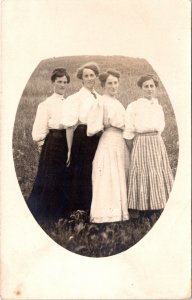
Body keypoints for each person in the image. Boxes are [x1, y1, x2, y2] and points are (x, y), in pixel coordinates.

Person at [123, 73, 174, 218]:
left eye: (152, 86)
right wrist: (134, 149)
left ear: (155, 88)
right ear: (141, 88)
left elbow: (160, 127)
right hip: (141, 142)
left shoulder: (158, 106)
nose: (149, 89)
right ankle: (144, 209)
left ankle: (159, 205)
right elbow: (128, 131)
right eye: (146, 86)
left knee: (158, 171)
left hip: (157, 142)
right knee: (143, 173)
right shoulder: (134, 106)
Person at [27, 68, 73, 222]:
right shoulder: (46, 104)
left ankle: (62, 212)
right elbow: (40, 128)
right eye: (59, 82)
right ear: (53, 82)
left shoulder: (68, 102)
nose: (62, 85)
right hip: (53, 142)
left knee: (64, 175)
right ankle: (47, 214)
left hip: (67, 140)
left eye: (65, 82)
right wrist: (41, 144)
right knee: (51, 176)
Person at [87, 69, 130, 223]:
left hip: (120, 141)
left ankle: (120, 214)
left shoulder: (117, 102)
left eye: (115, 83)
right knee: (108, 175)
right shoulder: (101, 102)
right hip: (109, 140)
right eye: (109, 83)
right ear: (103, 85)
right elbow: (92, 128)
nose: (113, 86)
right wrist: (106, 129)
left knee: (119, 173)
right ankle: (105, 216)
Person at [61, 62, 101, 213]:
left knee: (96, 170)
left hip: (98, 138)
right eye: (86, 76)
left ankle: (95, 208)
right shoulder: (75, 98)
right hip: (82, 138)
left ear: (96, 77)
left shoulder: (100, 97)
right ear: (81, 79)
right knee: (82, 172)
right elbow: (70, 126)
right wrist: (70, 149)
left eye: (92, 75)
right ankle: (80, 210)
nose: (90, 78)